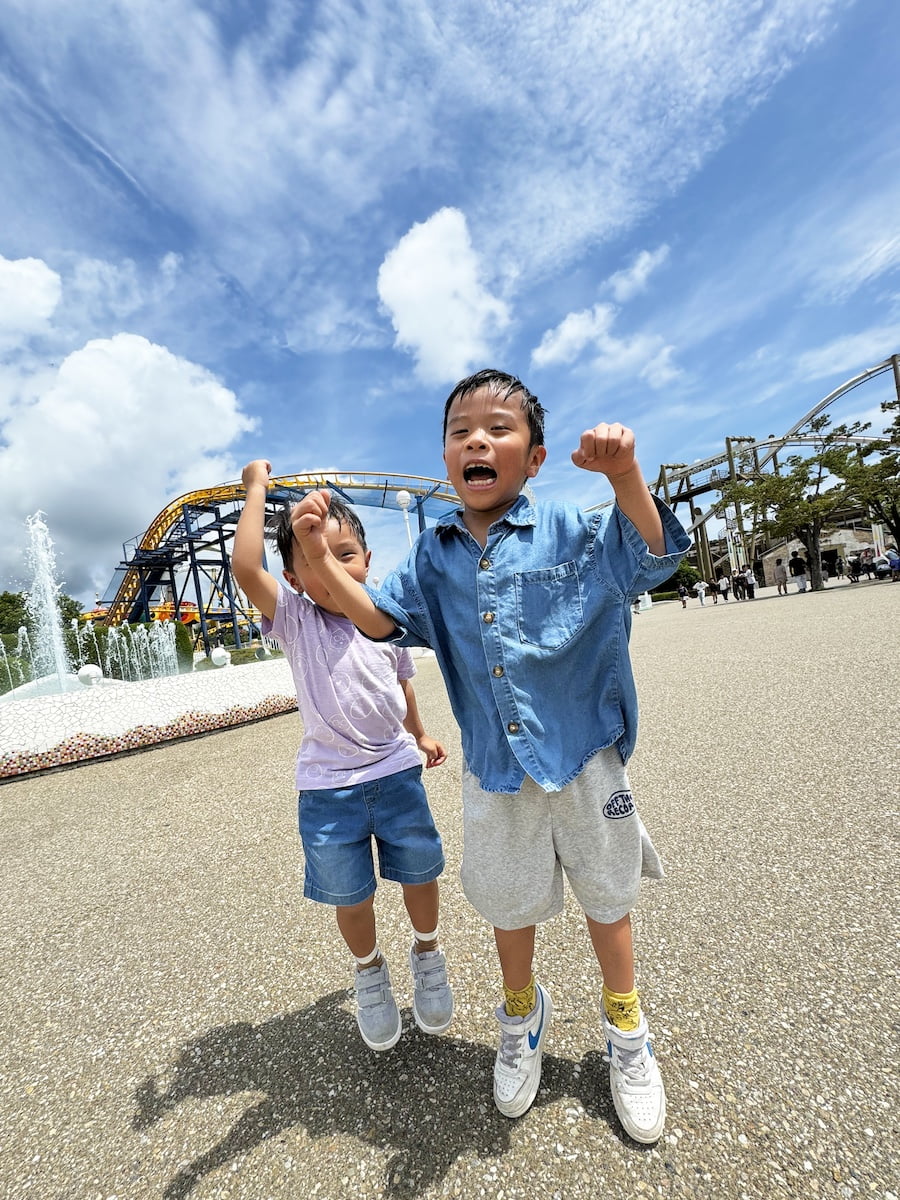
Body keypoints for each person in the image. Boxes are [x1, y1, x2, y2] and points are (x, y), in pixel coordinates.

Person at [292, 368, 690, 1144]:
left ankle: (626, 1029)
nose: (477, 439)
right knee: (511, 907)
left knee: (609, 901)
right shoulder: (431, 555)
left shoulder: (573, 526)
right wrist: (319, 551)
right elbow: (377, 621)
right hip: (495, 769)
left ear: (534, 458)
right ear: (446, 456)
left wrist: (626, 474)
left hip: (586, 758)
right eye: (459, 431)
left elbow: (652, 557)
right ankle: (521, 1015)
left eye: (499, 428)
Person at [232, 462, 454, 1053]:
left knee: (421, 870)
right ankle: (369, 970)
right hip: (328, 787)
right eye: (314, 556)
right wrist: (257, 488)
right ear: (295, 579)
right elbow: (244, 568)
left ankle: (427, 951)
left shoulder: (383, 619)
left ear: (366, 559)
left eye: (347, 551)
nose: (334, 567)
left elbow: (401, 683)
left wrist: (422, 733)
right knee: (349, 893)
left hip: (396, 770)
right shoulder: (297, 620)